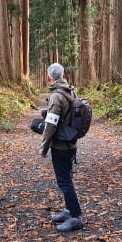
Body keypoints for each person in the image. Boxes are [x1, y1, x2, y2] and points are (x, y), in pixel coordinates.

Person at [38, 63, 85, 232]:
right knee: (67, 178)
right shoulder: (71, 91)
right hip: (71, 142)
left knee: (64, 181)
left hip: (61, 146)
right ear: (63, 76)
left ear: (49, 78)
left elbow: (51, 124)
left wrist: (43, 148)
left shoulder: (56, 96)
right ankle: (68, 210)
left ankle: (76, 217)